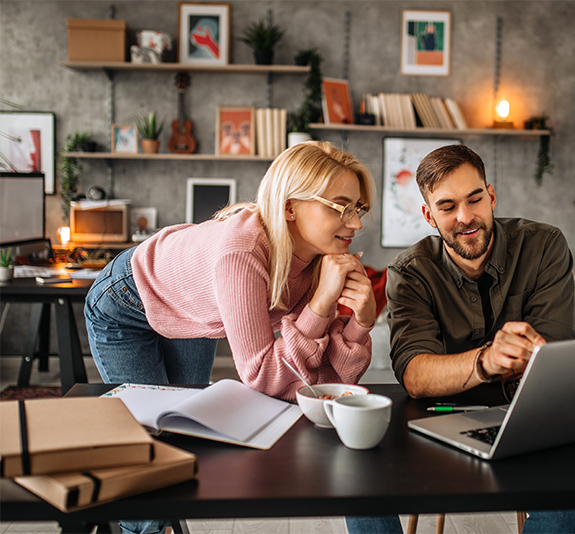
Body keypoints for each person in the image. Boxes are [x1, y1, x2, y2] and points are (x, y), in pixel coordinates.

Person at [84, 141, 377, 534]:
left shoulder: (320, 260)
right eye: (340, 207)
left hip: (196, 314)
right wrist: (321, 304)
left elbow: (322, 384)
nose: (355, 223)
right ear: (290, 206)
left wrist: (361, 322)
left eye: (357, 208)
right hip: (126, 301)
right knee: (143, 449)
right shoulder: (242, 250)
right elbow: (262, 376)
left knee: (183, 435)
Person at [346, 144, 575, 534]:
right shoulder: (410, 272)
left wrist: (530, 359)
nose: (465, 217)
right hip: (438, 420)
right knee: (356, 475)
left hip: (527, 416)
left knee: (570, 493)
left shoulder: (544, 246)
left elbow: (554, 356)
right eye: (447, 206)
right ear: (428, 215)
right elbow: (415, 375)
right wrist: (488, 361)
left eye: (475, 199)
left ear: (491, 196)